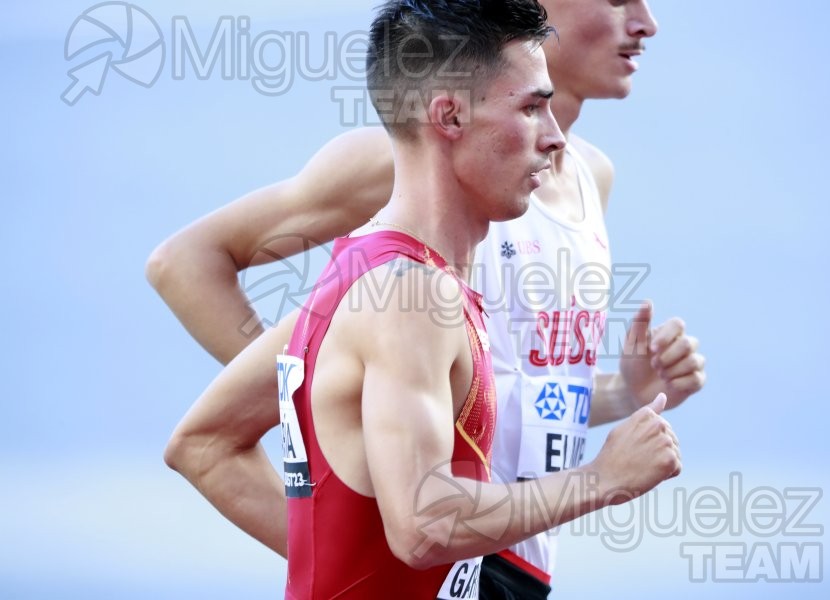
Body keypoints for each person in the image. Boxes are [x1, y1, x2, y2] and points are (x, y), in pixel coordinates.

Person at [151, 0, 704, 597]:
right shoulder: (401, 265)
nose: (648, 21)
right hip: (473, 543)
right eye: (532, 108)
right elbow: (423, 525)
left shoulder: (565, 188)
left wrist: (622, 392)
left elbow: (507, 391)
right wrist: (325, 400)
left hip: (488, 554)